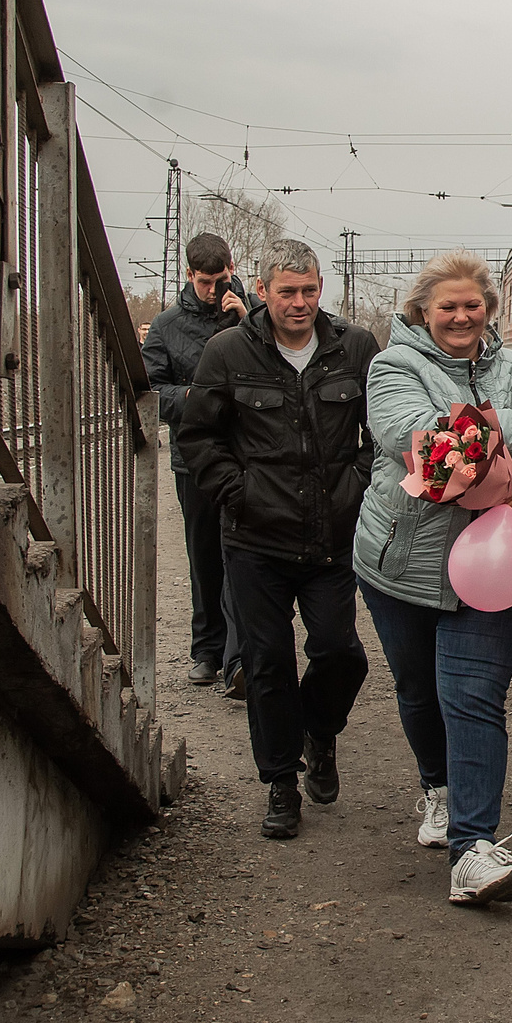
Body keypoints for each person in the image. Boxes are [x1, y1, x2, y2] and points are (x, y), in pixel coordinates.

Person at [354, 251, 512, 907]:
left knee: (472, 695)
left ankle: (473, 849)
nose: (462, 316)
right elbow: (421, 444)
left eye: (473, 305)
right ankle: (437, 786)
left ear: (488, 309)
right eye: (448, 306)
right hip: (402, 565)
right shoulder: (393, 366)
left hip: (492, 567)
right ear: (422, 311)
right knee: (418, 690)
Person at [178, 239, 378, 840]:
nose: (300, 303)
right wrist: (237, 492)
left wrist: (356, 486)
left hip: (330, 536)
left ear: (322, 289)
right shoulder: (228, 351)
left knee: (340, 653)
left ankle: (320, 730)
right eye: (287, 292)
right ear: (262, 291)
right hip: (255, 541)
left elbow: (382, 431)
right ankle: (281, 783)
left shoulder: (354, 348)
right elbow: (199, 438)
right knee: (267, 663)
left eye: (309, 291)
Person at [140, 234, 250, 692]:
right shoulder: (166, 326)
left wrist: (248, 318)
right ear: (189, 275)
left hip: (249, 455)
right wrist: (194, 397)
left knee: (245, 555)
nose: (212, 289)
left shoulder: (254, 315)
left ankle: (240, 658)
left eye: (219, 279)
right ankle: (207, 650)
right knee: (204, 556)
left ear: (231, 269)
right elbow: (150, 391)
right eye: (205, 281)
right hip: (195, 460)